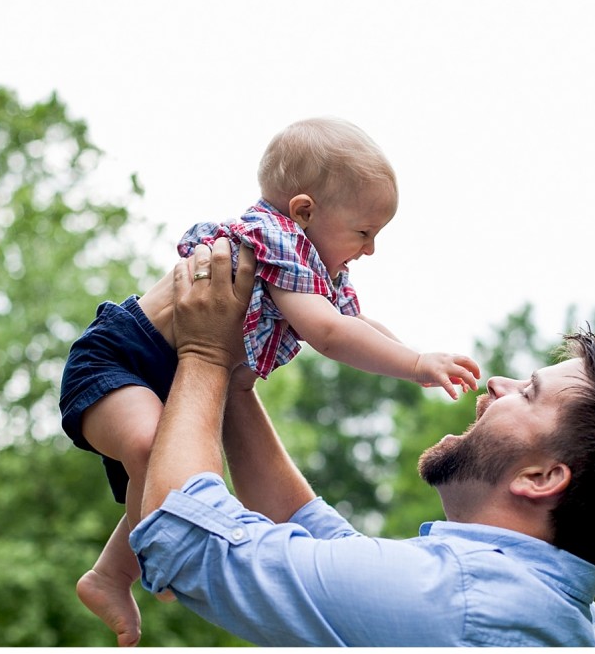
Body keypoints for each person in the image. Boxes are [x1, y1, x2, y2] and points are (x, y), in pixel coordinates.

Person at [130, 238, 595, 647]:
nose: (494, 386)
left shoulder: (458, 606)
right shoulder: (519, 600)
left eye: (526, 394)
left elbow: (184, 541)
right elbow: (309, 536)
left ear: (540, 478)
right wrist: (232, 377)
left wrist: (202, 354)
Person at [59, 118, 482, 645]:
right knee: (149, 448)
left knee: (161, 462)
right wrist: (416, 365)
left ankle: (108, 575)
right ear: (305, 211)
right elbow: (328, 333)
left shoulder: (314, 265)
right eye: (364, 232)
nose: (370, 250)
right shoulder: (276, 241)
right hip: (120, 356)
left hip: (167, 374)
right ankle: (150, 557)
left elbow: (354, 322)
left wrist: (412, 355)